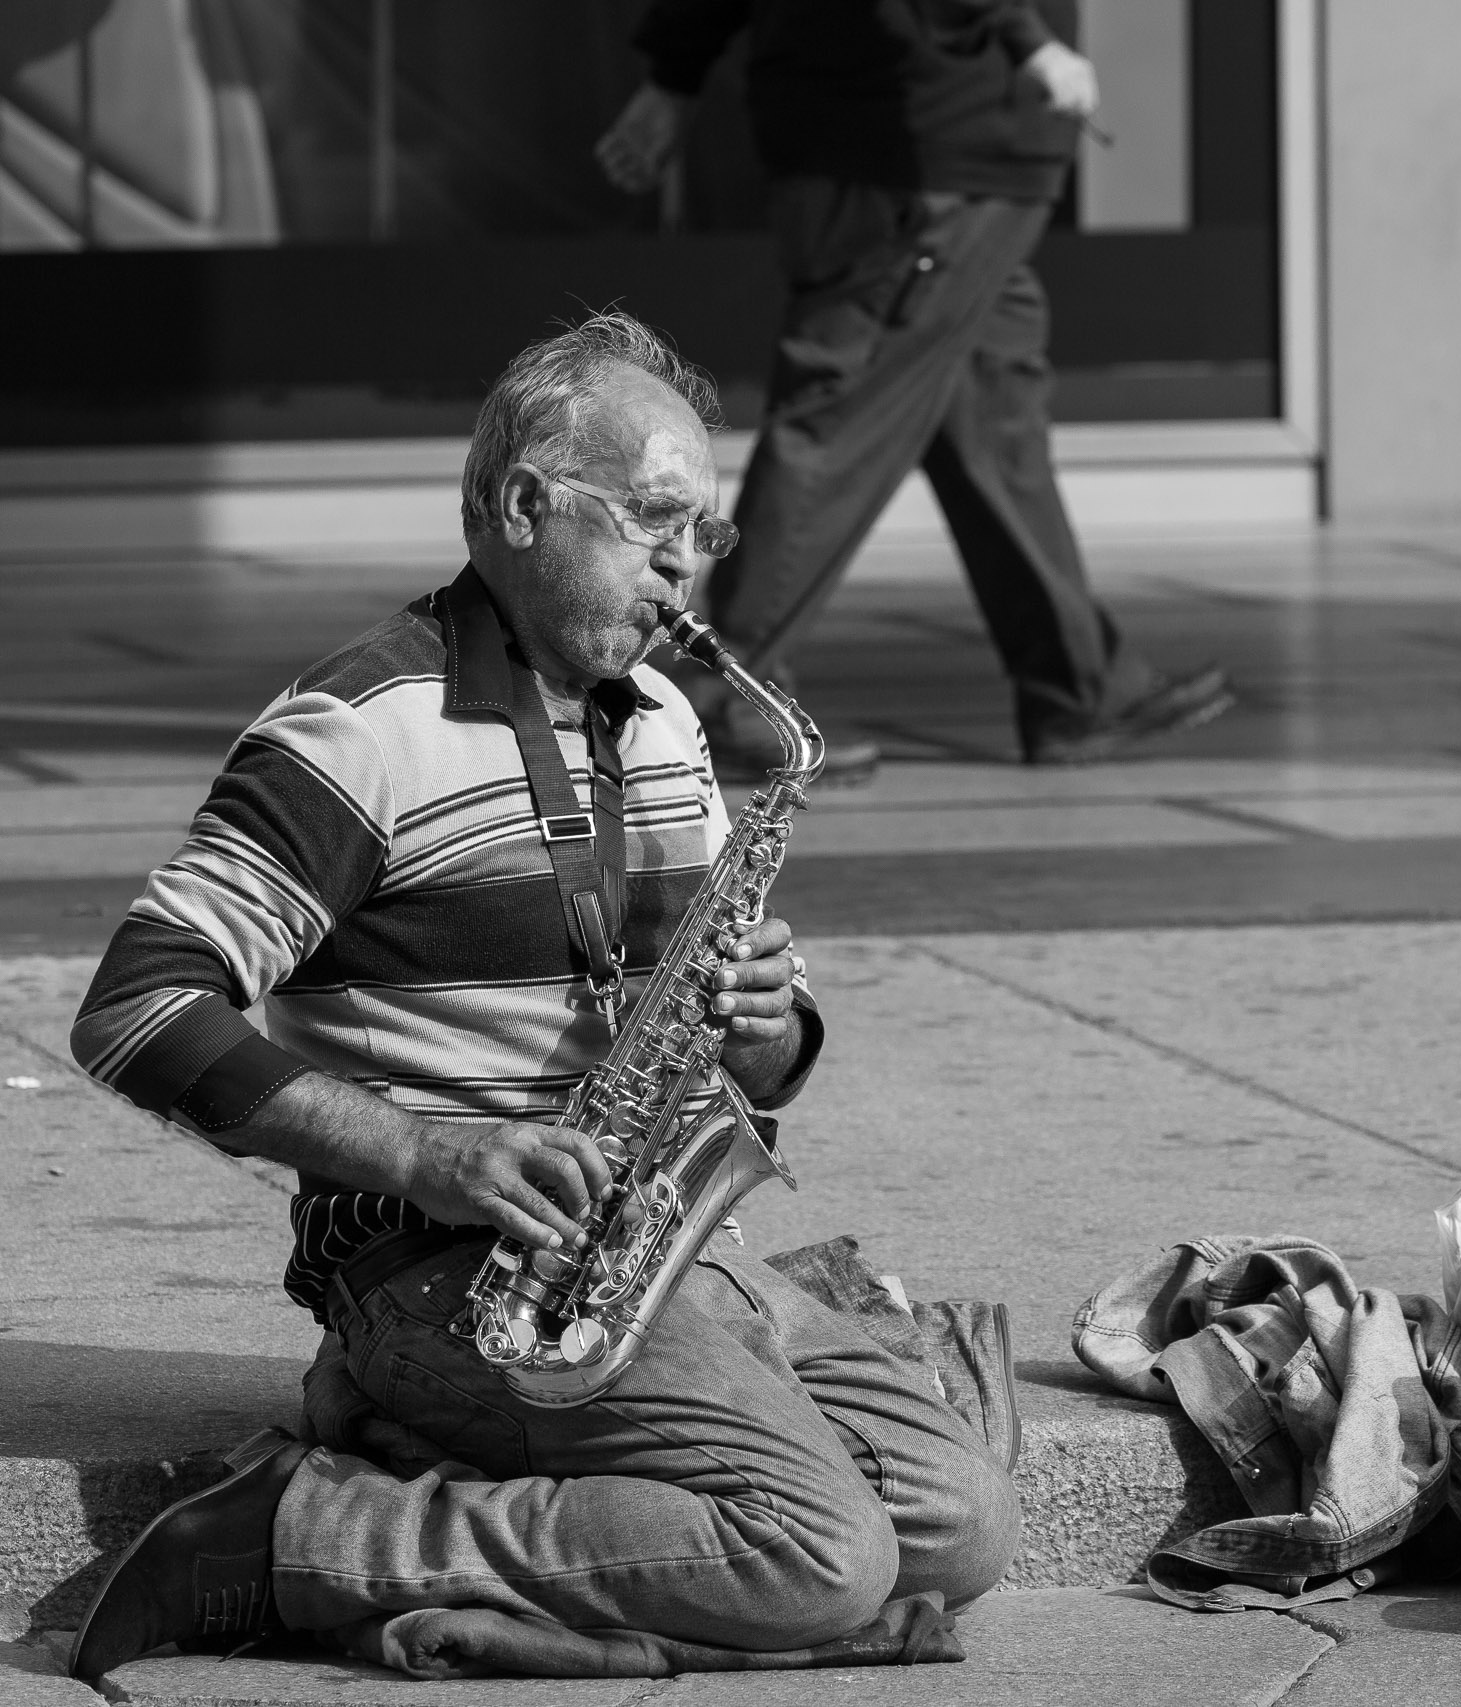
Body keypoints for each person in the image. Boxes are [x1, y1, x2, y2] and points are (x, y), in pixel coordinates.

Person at [63, 313, 1018, 1681]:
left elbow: (740, 1037)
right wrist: (431, 1154)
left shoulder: (664, 719)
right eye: (653, 518)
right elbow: (139, 1005)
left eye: (706, 530)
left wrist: (774, 1023)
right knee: (830, 1557)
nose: (687, 560)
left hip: (653, 1248)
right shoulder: (360, 727)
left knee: (964, 1526)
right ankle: (306, 1530)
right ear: (523, 504)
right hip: (443, 1267)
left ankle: (445, 1454)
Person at [594, 0, 1234, 780]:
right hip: (919, 166)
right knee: (841, 424)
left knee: (990, 424)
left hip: (918, 158)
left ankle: (1078, 683)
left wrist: (673, 77)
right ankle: (729, 695)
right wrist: (1031, 44)